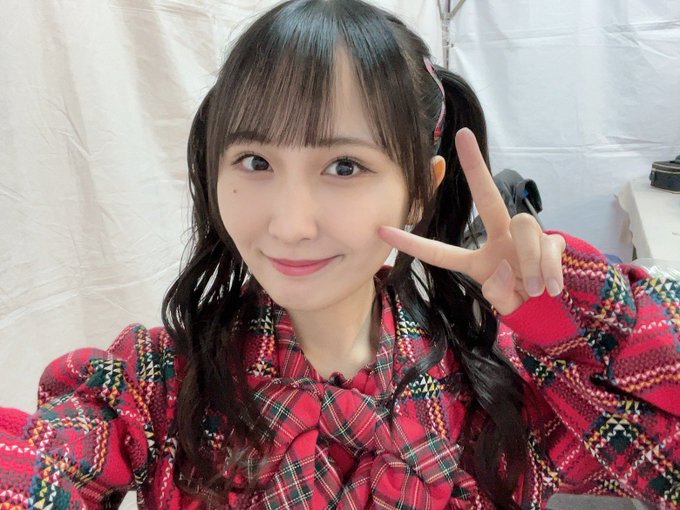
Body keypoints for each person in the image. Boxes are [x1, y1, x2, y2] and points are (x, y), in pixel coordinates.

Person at [0, 0, 678, 508]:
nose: (291, 224)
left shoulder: (497, 387)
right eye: (256, 161)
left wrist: (570, 315)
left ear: (420, 191)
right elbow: (40, 468)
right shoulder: (157, 384)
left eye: (344, 167)